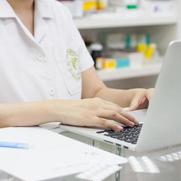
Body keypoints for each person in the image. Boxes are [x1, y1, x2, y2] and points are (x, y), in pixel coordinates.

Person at [0, 0, 154, 132]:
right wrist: (57, 110)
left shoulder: (59, 12)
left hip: (74, 149)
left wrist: (134, 97)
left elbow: (94, 92)